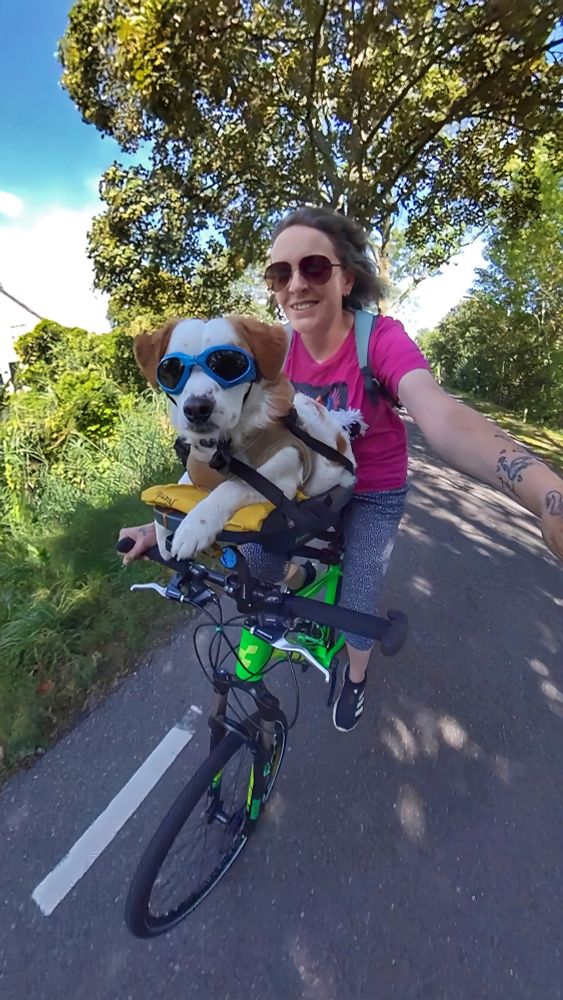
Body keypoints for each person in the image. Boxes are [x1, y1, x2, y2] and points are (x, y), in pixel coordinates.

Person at [119, 206, 563, 733]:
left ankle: (354, 676)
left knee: (359, 594)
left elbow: (442, 418)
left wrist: (546, 494)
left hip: (373, 489)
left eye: (314, 267)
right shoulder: (266, 351)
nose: (295, 284)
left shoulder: (379, 341)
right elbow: (224, 455)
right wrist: (161, 524)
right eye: (280, 273)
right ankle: (296, 576)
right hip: (302, 486)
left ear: (346, 277)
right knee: (254, 561)